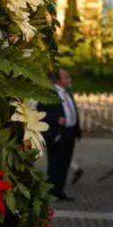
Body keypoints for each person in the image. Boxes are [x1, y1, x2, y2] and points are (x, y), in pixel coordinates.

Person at [41, 68, 82, 201]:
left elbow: (72, 111)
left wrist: (76, 131)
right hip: (57, 134)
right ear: (58, 80)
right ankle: (52, 193)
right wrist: (56, 119)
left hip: (69, 133)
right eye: (66, 77)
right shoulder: (48, 94)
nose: (69, 80)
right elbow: (41, 113)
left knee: (65, 163)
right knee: (55, 164)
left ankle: (60, 191)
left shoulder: (67, 93)